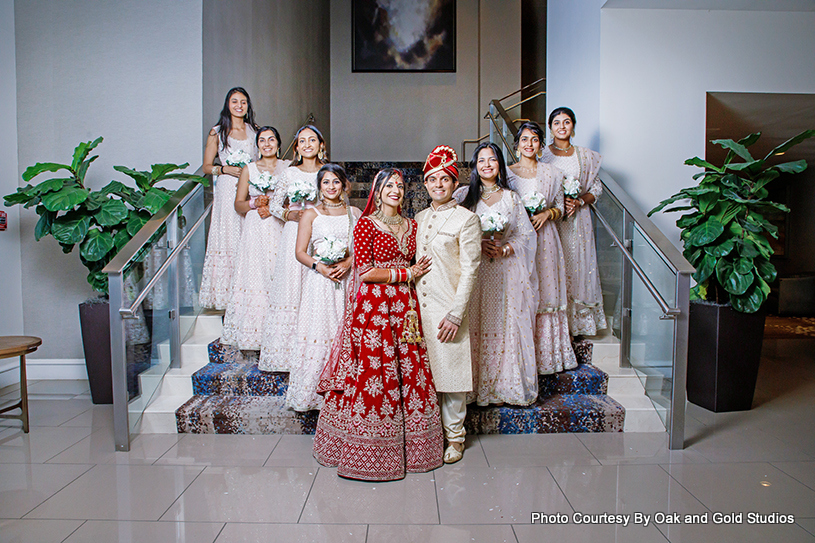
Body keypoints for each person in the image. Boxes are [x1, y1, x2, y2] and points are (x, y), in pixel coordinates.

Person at [313, 168, 443, 481]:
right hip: (374, 308)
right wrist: (406, 274)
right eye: (389, 185)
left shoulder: (413, 226)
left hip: (406, 310)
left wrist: (411, 276)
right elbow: (366, 270)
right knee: (375, 372)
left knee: (409, 371)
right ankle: (368, 449)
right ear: (378, 191)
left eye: (399, 185)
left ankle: (414, 451)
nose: (395, 190)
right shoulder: (366, 224)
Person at [453, 143, 539, 406]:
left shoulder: (511, 198)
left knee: (504, 323)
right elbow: (451, 236)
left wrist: (505, 248)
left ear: (500, 164)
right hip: (475, 273)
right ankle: (474, 386)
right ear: (475, 166)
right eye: (481, 160)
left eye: (492, 160)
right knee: (475, 322)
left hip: (505, 272)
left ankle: (504, 384)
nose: (487, 164)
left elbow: (526, 235)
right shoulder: (463, 197)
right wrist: (478, 244)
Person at [415, 145, 482, 464]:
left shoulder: (467, 220)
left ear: (456, 184)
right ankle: (426, 436)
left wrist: (457, 314)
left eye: (445, 179)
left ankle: (455, 438)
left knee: (452, 376)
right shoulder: (418, 218)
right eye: (432, 179)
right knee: (425, 376)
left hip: (448, 310)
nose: (438, 185)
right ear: (425, 184)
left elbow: (471, 269)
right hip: (417, 310)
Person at [285, 164, 360, 411]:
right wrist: (320, 267)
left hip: (348, 280)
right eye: (326, 182)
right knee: (321, 331)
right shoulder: (311, 214)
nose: (331, 187)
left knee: (346, 331)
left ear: (344, 185)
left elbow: (362, 249)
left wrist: (349, 262)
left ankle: (347, 395)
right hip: (320, 283)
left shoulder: (355, 213)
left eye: (336, 182)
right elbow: (299, 252)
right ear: (319, 186)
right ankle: (315, 395)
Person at [508, 121, 577, 373]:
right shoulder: (507, 173)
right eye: (524, 139)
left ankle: (547, 355)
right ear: (517, 145)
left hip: (546, 238)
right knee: (521, 289)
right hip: (517, 240)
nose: (529, 144)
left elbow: (561, 208)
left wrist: (547, 213)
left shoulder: (552, 173)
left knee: (546, 290)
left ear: (540, 144)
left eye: (534, 140)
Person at [258, 125, 325, 372]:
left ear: (321, 145)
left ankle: (313, 348)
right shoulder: (289, 172)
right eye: (302, 141)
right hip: (293, 234)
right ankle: (286, 354)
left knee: (314, 287)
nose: (307, 144)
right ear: (296, 147)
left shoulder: (326, 173)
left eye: (312, 140)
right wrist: (290, 213)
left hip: (318, 235)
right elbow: (275, 205)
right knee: (291, 286)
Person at [220, 126, 289, 350]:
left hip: (279, 225)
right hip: (255, 228)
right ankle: (255, 334)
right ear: (257, 145)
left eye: (271, 139)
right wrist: (255, 203)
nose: (267, 144)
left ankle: (281, 331)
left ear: (278, 144)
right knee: (257, 276)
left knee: (279, 273)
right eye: (262, 140)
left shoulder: (289, 168)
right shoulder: (249, 169)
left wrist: (276, 207)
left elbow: (296, 200)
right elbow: (238, 204)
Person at [540, 107, 607, 337]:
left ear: (573, 127)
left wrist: (578, 201)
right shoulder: (542, 155)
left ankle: (578, 324)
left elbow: (596, 188)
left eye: (566, 122)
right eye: (557, 122)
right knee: (552, 267)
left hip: (578, 222)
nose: (562, 126)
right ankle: (554, 325)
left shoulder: (584, 156)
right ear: (550, 128)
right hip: (552, 221)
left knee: (577, 266)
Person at [199, 87, 258, 309]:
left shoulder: (255, 131)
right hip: (227, 187)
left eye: (243, 102)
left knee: (248, 232)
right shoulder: (217, 132)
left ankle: (249, 289)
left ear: (248, 106)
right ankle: (225, 294)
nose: (239, 106)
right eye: (235, 101)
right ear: (228, 104)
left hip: (250, 186)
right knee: (229, 234)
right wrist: (224, 170)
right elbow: (206, 166)